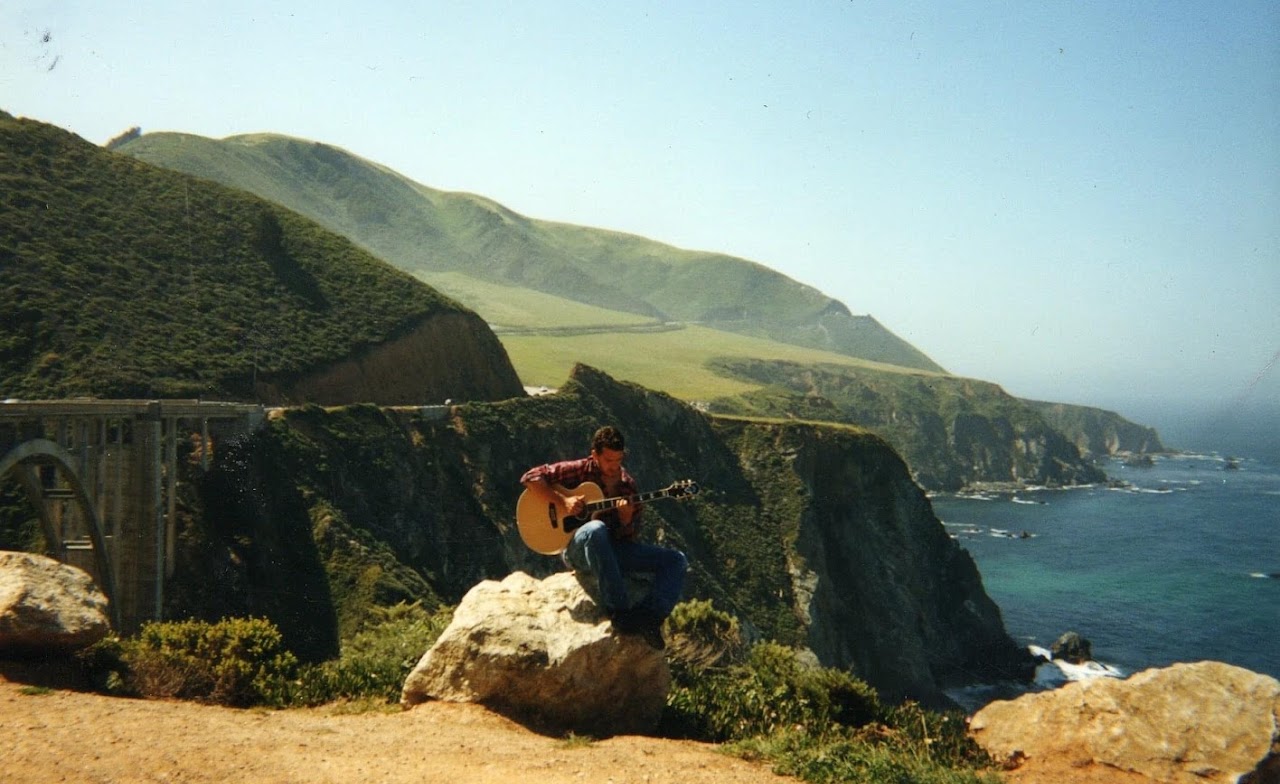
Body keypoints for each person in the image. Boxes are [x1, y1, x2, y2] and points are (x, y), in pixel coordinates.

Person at [519, 425, 687, 649]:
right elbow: (530, 478)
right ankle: (619, 612)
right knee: (596, 529)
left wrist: (626, 519)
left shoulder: (627, 486)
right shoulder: (579, 470)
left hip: (610, 550)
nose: (614, 466)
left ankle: (649, 618)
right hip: (576, 549)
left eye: (618, 460)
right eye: (608, 460)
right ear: (594, 455)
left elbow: (628, 538)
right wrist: (563, 501)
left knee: (676, 560)